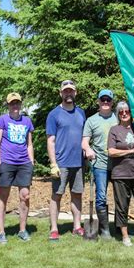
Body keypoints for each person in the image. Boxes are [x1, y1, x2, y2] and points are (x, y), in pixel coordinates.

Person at [46, 80, 86, 241]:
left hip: (78, 163)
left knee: (77, 195)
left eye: (71, 91)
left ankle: (77, 226)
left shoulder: (81, 113)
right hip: (61, 164)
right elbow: (50, 140)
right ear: (60, 93)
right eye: (65, 91)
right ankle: (54, 229)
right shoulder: (54, 114)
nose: (68, 94)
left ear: (75, 93)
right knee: (57, 195)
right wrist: (53, 163)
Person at [0, 93, 35, 244]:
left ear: (21, 104)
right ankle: (1, 232)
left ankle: (22, 230)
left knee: (25, 196)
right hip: (7, 163)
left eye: (17, 103)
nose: (15, 106)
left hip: (24, 163)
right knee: (3, 196)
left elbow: (29, 144)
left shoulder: (27, 121)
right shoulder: (1, 120)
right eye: (12, 103)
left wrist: (31, 162)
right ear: (8, 105)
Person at [107, 101, 134, 247]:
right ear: (118, 115)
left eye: (127, 111)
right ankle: (125, 236)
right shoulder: (114, 130)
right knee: (122, 205)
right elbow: (111, 151)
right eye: (121, 112)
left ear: (131, 113)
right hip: (120, 174)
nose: (124, 114)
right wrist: (130, 151)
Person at [82, 89, 118, 239]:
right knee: (101, 197)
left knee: (120, 197)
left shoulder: (118, 118)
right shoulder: (91, 120)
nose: (105, 102)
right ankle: (104, 230)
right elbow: (84, 142)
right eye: (102, 100)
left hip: (118, 164)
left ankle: (119, 227)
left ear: (111, 102)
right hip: (100, 164)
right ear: (98, 101)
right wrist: (88, 149)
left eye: (108, 100)